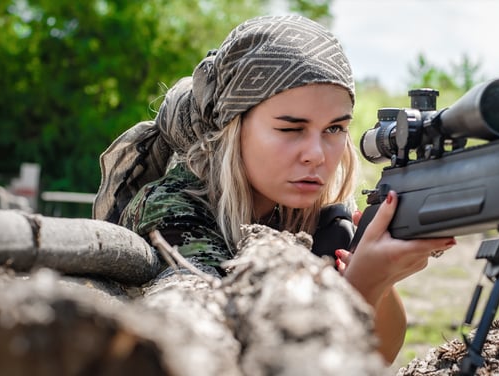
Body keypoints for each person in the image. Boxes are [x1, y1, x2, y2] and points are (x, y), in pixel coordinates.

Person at [92, 14, 455, 363]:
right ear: (235, 127)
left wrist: (380, 277)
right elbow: (233, 359)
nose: (316, 155)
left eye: (334, 129)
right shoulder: (171, 209)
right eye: (290, 128)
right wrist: (363, 283)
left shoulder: (311, 216)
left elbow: (379, 356)